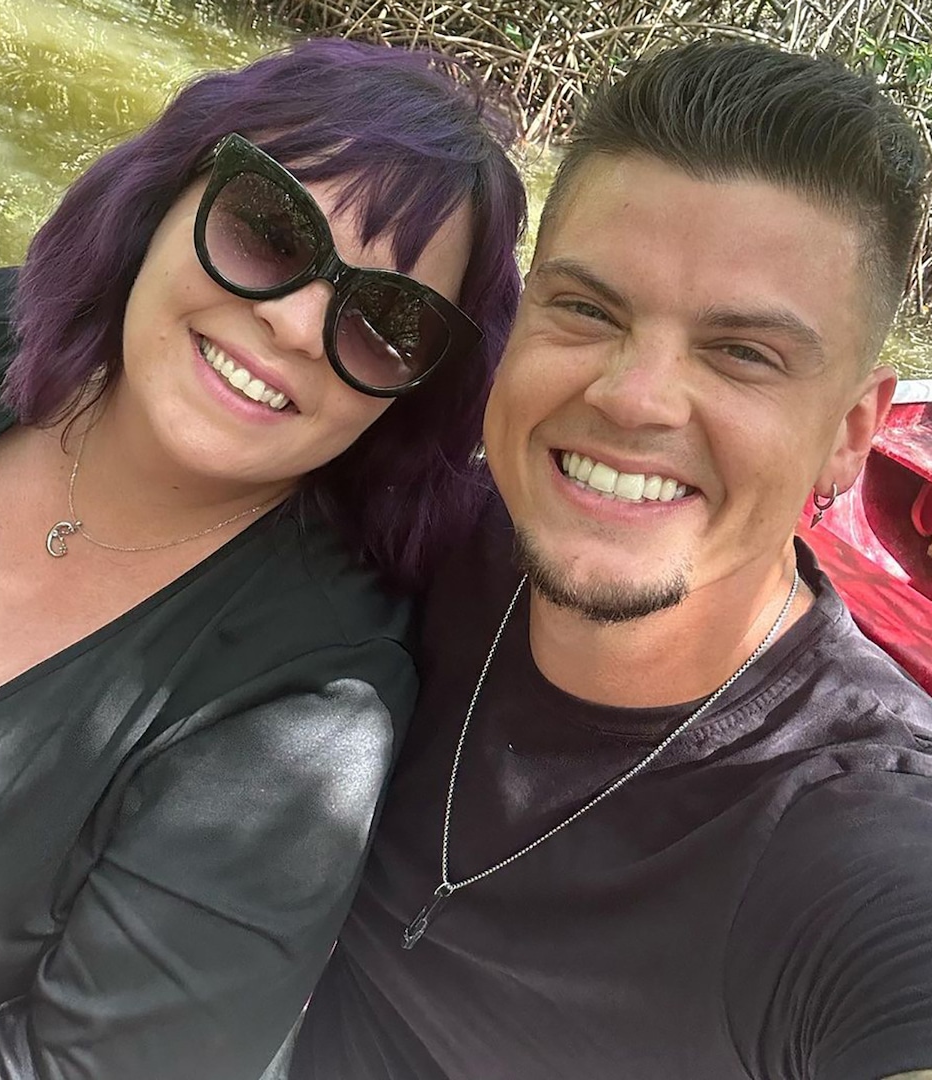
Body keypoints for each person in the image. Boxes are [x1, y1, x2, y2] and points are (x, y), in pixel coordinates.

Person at [0, 38, 526, 1080]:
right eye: (269, 228)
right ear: (166, 193)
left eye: (386, 321)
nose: (296, 324)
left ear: (414, 395)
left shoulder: (309, 711)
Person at [290, 41, 932, 1080]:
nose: (634, 398)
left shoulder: (855, 837)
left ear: (851, 435)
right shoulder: (423, 534)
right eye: (588, 310)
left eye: (743, 353)